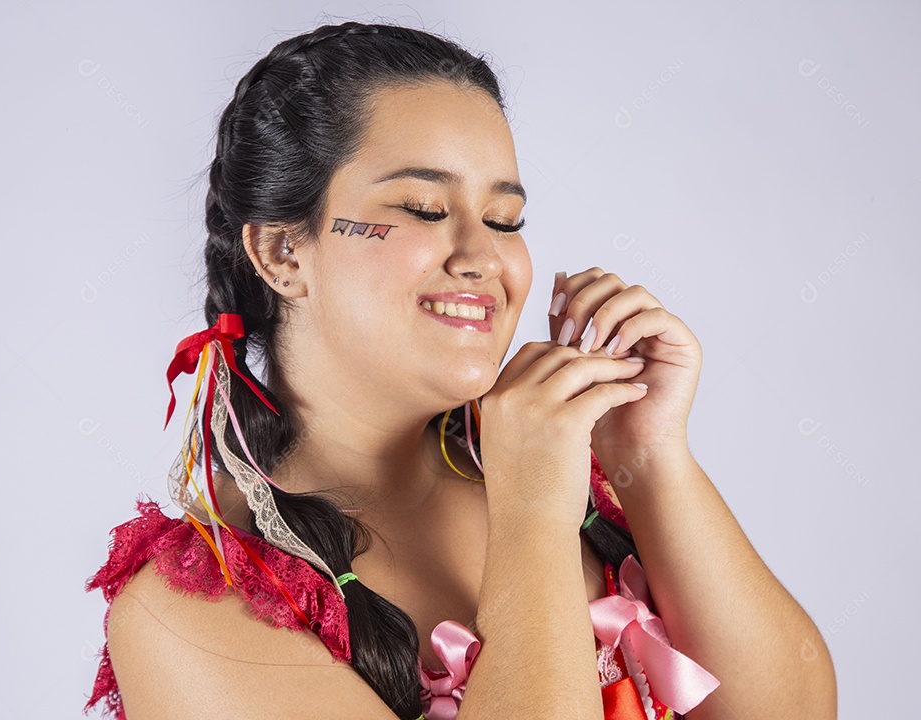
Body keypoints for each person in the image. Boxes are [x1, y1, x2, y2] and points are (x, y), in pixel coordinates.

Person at [83, 20, 837, 720]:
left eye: (505, 219)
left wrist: (649, 454)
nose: (482, 257)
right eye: (421, 207)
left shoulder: (582, 485)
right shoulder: (192, 610)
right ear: (284, 253)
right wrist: (533, 520)